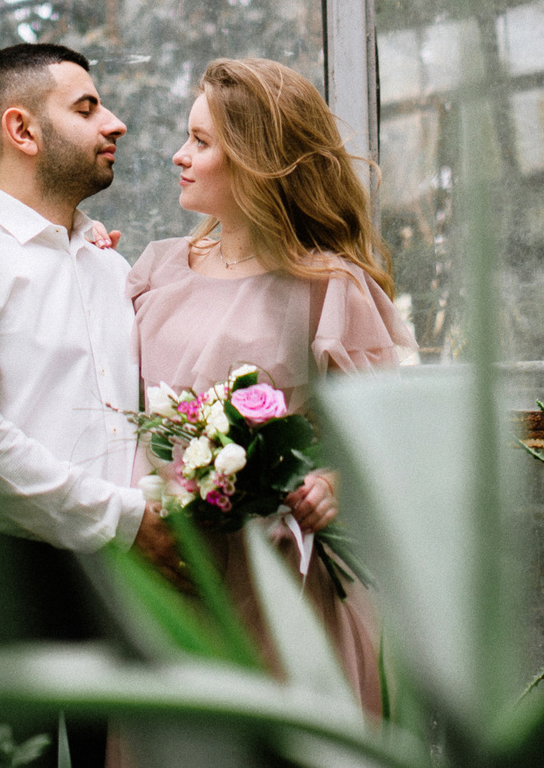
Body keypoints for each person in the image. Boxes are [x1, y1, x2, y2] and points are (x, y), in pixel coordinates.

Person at [0, 42, 182, 767]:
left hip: (119, 578)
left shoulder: (111, 269)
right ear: (22, 130)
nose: (117, 123)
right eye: (87, 107)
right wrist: (125, 519)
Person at [125, 56, 413, 716]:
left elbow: (385, 436)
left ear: (254, 159)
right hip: (170, 570)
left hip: (285, 582)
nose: (179, 155)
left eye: (201, 141)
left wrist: (335, 482)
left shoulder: (328, 286)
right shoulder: (153, 271)